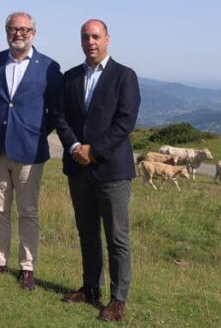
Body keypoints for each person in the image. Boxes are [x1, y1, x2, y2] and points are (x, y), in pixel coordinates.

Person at [54, 19, 141, 322]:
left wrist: (95, 150)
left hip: (112, 170)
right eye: (85, 37)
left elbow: (125, 121)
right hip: (79, 169)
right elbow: (60, 117)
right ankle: (91, 288)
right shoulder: (70, 77)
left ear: (107, 39)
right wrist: (75, 147)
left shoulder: (124, 76)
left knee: (116, 237)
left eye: (95, 36)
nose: (90, 41)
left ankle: (118, 299)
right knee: (87, 233)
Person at [0, 12, 62, 291]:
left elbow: (54, 109)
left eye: (24, 29)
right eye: (13, 29)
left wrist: (33, 131)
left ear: (33, 33)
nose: (19, 34)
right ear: (6, 32)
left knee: (28, 211)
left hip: (30, 149)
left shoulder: (48, 67)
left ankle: (27, 267)